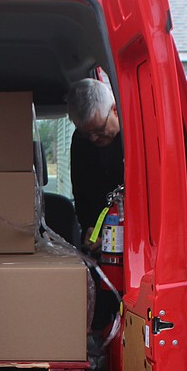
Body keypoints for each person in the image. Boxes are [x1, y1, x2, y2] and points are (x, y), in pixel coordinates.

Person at [67, 78, 123, 246]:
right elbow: (80, 189)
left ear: (114, 110)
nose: (93, 139)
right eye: (86, 133)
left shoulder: (136, 138)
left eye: (99, 130)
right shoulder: (80, 141)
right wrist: (88, 227)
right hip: (98, 234)